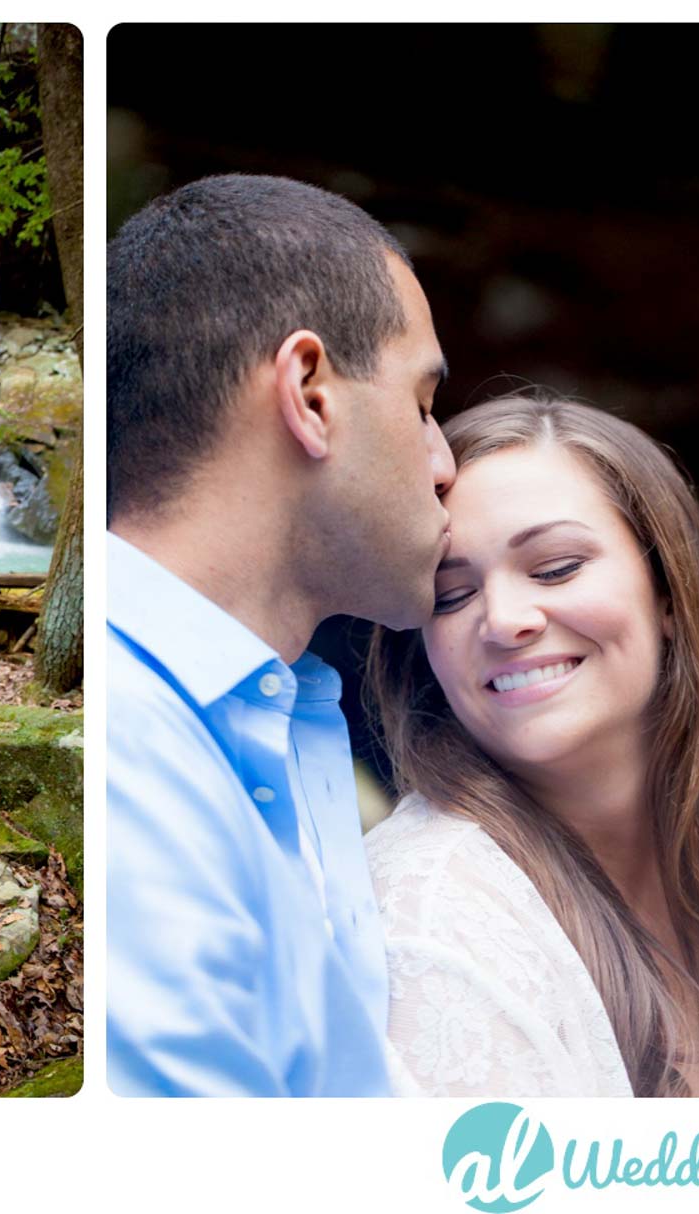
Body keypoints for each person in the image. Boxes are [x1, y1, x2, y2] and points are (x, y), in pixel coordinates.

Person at [106, 174, 456, 1096]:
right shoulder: (128, 757)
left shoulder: (270, 714)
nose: (445, 462)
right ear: (309, 391)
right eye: (423, 405)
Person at [364, 392, 699, 1097]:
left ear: (668, 593)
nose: (505, 621)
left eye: (555, 568)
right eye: (451, 596)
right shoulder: (422, 914)